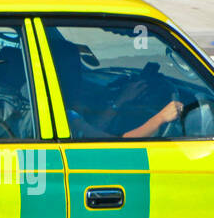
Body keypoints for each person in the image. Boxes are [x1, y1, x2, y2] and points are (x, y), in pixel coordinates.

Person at [47, 29, 182, 139]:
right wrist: (161, 117)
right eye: (77, 68)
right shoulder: (65, 116)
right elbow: (117, 143)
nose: (81, 73)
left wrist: (120, 100)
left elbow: (94, 128)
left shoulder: (49, 107)